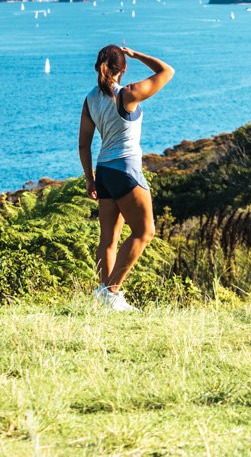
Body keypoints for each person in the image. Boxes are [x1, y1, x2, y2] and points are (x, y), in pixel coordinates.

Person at [78, 44, 174, 311]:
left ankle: (107, 297)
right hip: (126, 170)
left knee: (108, 239)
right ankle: (111, 290)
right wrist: (136, 54)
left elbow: (83, 144)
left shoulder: (90, 100)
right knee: (145, 232)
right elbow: (167, 71)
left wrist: (90, 179)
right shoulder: (128, 94)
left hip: (104, 172)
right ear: (123, 68)